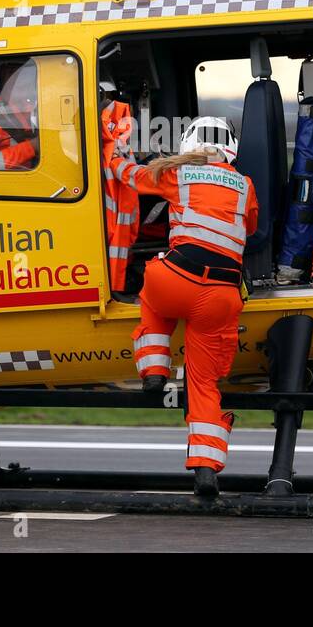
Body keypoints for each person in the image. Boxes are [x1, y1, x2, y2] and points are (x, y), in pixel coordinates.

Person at [103, 116, 258, 498]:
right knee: (204, 384)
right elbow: (251, 227)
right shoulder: (245, 184)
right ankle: (206, 470)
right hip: (221, 296)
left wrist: (110, 150)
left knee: (151, 289)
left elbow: (127, 175)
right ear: (231, 149)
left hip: (176, 279)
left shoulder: (178, 175)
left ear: (188, 144)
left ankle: (154, 369)